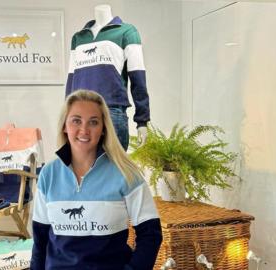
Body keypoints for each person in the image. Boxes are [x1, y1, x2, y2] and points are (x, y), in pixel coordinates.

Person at [31, 90, 162, 270]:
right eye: (76, 120)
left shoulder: (126, 173)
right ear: (64, 126)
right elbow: (40, 241)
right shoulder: (48, 174)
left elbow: (151, 235)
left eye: (93, 122)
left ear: (103, 129)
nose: (84, 130)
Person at [66, 5, 149, 150]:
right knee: (83, 170)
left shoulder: (127, 32)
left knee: (113, 170)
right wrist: (67, 115)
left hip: (112, 112)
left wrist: (142, 121)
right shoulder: (78, 38)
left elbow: (138, 78)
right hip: (79, 113)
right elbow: (71, 79)